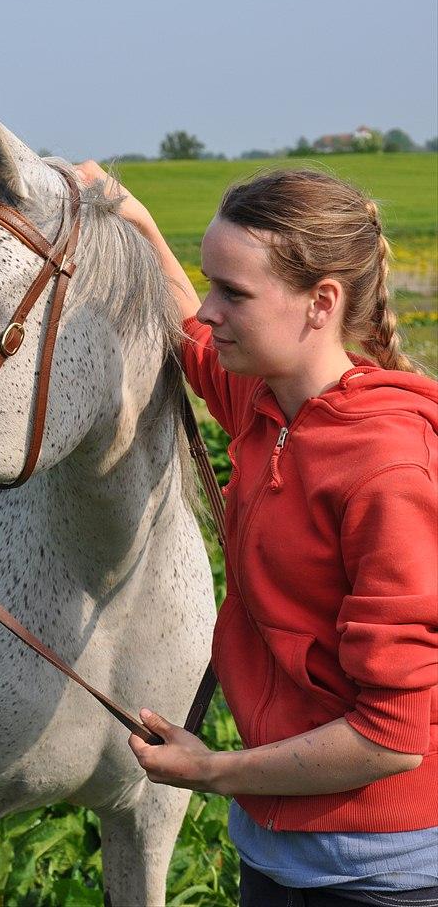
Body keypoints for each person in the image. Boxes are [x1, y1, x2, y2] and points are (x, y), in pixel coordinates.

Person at [76, 162, 438, 907]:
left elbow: (391, 738)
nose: (210, 311)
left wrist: (213, 772)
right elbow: (192, 336)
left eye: (234, 293)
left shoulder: (388, 470)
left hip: (380, 871)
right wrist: (135, 219)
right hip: (277, 850)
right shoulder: (270, 403)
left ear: (321, 303)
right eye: (211, 284)